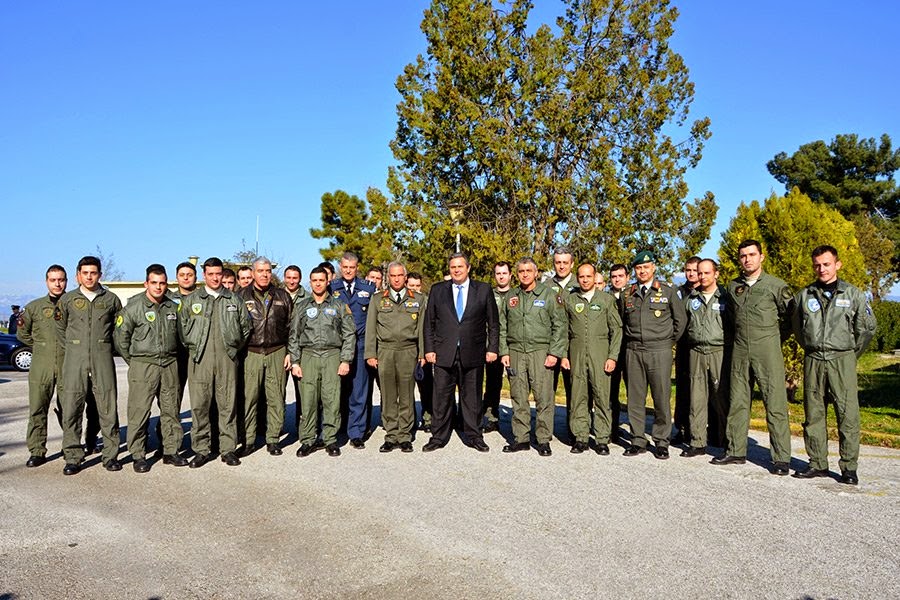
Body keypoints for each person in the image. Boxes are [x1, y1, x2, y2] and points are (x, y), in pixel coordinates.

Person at [791, 245, 876, 485]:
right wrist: (812, 345)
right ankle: (817, 463)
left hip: (842, 359)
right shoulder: (804, 296)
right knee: (814, 413)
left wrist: (849, 353)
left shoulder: (854, 295)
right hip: (814, 359)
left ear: (837, 264)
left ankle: (849, 468)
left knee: (847, 414)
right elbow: (798, 328)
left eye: (826, 264)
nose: (822, 269)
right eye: (817, 264)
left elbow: (866, 329)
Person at [712, 240, 794, 475]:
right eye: (743, 256)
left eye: (751, 254)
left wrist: (775, 339)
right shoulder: (733, 287)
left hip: (767, 348)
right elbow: (728, 318)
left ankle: (781, 458)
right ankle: (735, 450)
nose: (747, 259)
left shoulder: (776, 286)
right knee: (737, 400)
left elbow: (791, 319)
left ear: (761, 257)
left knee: (775, 402)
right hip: (740, 349)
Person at [422, 253, 499, 452]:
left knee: (472, 398)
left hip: (473, 352)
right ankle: (439, 436)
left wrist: (492, 349)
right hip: (443, 353)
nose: (456, 270)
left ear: (468, 268)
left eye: (460, 266)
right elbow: (429, 323)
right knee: (441, 397)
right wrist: (429, 349)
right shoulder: (438, 290)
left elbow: (493, 324)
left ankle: (474, 436)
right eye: (453, 267)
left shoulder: (483, 290)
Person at [179, 257, 251, 468]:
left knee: (227, 405)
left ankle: (227, 449)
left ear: (223, 274)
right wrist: (193, 348)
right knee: (200, 406)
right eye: (210, 274)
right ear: (204, 275)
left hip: (227, 358)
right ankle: (201, 450)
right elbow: (182, 329)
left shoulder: (233, 300)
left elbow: (245, 327)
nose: (215, 278)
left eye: (218, 274)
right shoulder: (192, 300)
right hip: (200, 359)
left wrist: (233, 348)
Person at [113, 264, 186, 472]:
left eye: (162, 283)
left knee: (171, 410)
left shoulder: (173, 308)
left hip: (169, 364)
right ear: (146, 283)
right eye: (154, 283)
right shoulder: (133, 308)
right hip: (143, 365)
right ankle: (138, 454)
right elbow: (121, 340)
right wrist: (135, 361)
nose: (158, 287)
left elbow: (181, 337)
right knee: (139, 411)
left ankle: (171, 451)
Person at [57, 256, 124, 475]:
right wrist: (75, 349)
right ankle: (73, 456)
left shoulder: (111, 300)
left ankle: (110, 455)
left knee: (107, 406)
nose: (89, 276)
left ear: (99, 275)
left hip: (102, 357)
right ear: (78, 275)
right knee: (72, 407)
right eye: (85, 272)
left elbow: (117, 329)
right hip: (75, 359)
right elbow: (60, 330)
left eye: (93, 272)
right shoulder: (67, 300)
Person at [619, 250, 686, 459]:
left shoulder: (667, 291)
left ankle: (661, 441)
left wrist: (667, 341)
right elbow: (622, 321)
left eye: (646, 267)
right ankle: (638, 439)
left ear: (653, 268)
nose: (642, 271)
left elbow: (680, 321)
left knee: (661, 397)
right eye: (639, 268)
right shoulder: (627, 293)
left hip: (659, 351)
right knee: (635, 399)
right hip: (634, 351)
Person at [499, 257, 566, 456]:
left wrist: (554, 352)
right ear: (516, 274)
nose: (525, 274)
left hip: (541, 352)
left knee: (543, 397)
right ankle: (521, 438)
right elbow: (503, 326)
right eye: (521, 271)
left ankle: (543, 439)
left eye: (529, 270)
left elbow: (560, 325)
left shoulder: (549, 295)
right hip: (516, 352)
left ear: (536, 273)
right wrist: (504, 351)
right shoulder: (511, 297)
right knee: (518, 396)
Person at [290, 266, 355, 457]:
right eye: (314, 280)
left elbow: (349, 334)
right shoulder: (301, 306)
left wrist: (345, 360)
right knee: (308, 400)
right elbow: (293, 335)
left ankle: (330, 439)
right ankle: (308, 439)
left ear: (328, 281)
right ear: (310, 283)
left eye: (321, 280)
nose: (318, 283)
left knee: (331, 399)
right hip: (308, 356)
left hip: (331, 356)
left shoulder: (338, 305)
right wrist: (295, 361)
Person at [364, 262, 426, 453]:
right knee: (389, 395)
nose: (396, 279)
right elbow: (371, 329)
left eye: (400, 275)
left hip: (408, 351)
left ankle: (405, 436)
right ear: (387, 277)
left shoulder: (418, 299)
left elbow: (423, 329)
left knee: (407, 394)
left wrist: (422, 353)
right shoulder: (377, 300)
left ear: (405, 277)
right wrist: (371, 353)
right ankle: (391, 435)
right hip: (385, 351)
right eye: (393, 276)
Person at [561, 263, 622, 455]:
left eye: (588, 276)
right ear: (577, 278)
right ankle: (581, 437)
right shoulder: (571, 300)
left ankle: (602, 438)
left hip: (600, 354)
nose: (585, 280)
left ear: (594, 277)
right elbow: (563, 330)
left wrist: (612, 356)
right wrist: (563, 354)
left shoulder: (606, 300)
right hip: (576, 354)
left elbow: (617, 330)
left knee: (602, 397)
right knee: (579, 397)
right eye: (581, 277)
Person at [237, 257, 293, 456]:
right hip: (250, 353)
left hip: (276, 352)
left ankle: (273, 439)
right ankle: (248, 440)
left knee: (276, 397)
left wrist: (290, 352)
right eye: (260, 271)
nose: (264, 274)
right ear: (253, 273)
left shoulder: (282, 296)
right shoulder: (241, 296)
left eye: (268, 271)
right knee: (249, 398)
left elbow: (291, 327)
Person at [17, 265, 67, 467]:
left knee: (69, 408)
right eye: (53, 279)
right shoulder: (34, 307)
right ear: (46, 281)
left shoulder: (72, 304)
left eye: (61, 279)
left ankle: (71, 447)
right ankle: (37, 450)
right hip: (41, 365)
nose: (57, 283)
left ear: (66, 281)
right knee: (38, 408)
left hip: (67, 363)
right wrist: (41, 347)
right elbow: (23, 334)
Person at [681, 259, 729, 457]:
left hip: (719, 351)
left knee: (722, 397)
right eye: (699, 273)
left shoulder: (726, 298)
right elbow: (681, 324)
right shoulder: (691, 299)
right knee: (696, 398)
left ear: (716, 274)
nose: (702, 277)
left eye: (706, 273)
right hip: (696, 351)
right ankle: (698, 441)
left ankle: (728, 441)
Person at [330, 252, 376, 449]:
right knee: (336, 389)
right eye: (345, 267)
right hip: (337, 345)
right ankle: (336, 428)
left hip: (361, 344)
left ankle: (356, 432)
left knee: (359, 390)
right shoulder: (332, 288)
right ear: (340, 267)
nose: (348, 271)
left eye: (352, 267)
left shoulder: (369, 288)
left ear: (357, 268)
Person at [673, 256, 701, 444]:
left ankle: (703, 429)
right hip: (683, 346)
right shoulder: (678, 293)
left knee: (701, 390)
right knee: (683, 389)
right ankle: (681, 428)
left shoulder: (708, 291)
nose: (690, 274)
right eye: (687, 270)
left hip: (700, 347)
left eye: (694, 270)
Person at [482, 261, 513, 433]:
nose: (501, 276)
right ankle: (491, 417)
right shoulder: (488, 295)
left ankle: (520, 420)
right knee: (492, 384)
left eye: (504, 273)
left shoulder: (517, 295)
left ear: (510, 275)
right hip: (491, 346)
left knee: (516, 385)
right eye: (498, 273)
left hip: (511, 346)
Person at [406, 271, 434, 432]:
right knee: (406, 388)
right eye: (411, 286)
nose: (415, 289)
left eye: (417, 286)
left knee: (426, 387)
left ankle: (428, 418)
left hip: (424, 349)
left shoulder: (427, 301)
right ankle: (409, 421)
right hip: (406, 350)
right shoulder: (402, 302)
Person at [607, 263, 629, 441]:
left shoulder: (633, 296)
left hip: (630, 350)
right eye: (614, 276)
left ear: (627, 277)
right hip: (612, 350)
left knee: (634, 392)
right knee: (610, 392)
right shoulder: (605, 297)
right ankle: (611, 428)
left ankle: (635, 431)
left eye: (620, 276)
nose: (617, 279)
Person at [283, 264, 306, 432]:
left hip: (301, 350)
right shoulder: (276, 295)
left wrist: (294, 352)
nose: (292, 281)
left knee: (303, 392)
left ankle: (303, 426)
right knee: (276, 392)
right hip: (280, 349)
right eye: (289, 277)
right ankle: (274, 427)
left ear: (300, 279)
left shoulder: (308, 298)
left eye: (295, 278)